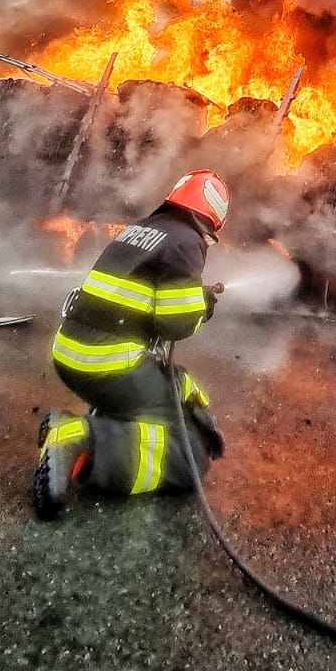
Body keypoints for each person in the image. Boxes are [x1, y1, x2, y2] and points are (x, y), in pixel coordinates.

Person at [33, 170, 229, 520]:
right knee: (189, 453)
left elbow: (143, 296)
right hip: (108, 363)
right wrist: (201, 307)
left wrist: (194, 297)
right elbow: (174, 322)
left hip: (71, 354)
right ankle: (79, 438)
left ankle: (77, 426)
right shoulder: (187, 242)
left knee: (164, 396)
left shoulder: (141, 231)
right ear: (211, 218)